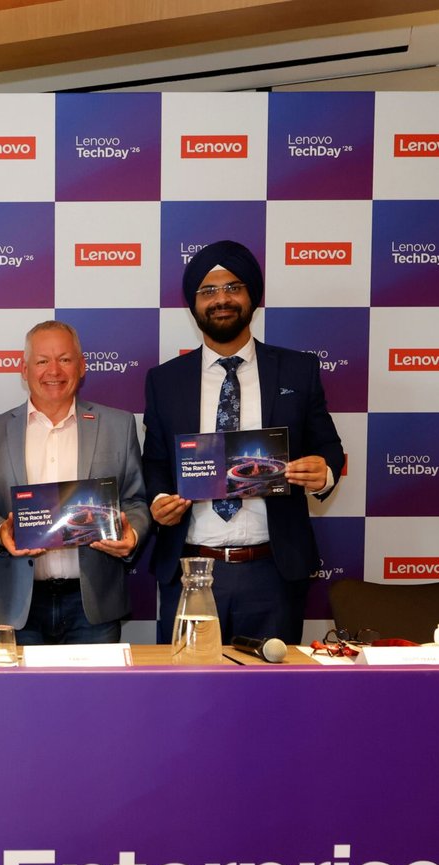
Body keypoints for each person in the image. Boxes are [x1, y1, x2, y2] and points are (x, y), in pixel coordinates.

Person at [142, 239, 344, 645]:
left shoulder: (297, 370)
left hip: (273, 572)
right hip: (191, 571)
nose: (221, 299)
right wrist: (159, 501)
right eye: (208, 291)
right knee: (188, 683)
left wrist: (324, 473)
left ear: (252, 296)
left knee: (270, 685)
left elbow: (329, 448)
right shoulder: (165, 380)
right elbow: (156, 463)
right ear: (194, 304)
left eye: (233, 287)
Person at [0, 320, 149, 645]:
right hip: (20, 607)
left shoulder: (118, 425)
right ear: (24, 369)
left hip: (94, 606)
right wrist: (2, 533)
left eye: (65, 359)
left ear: (82, 366)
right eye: (42, 361)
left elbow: (136, 501)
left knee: (97, 683)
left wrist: (133, 532)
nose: (53, 371)